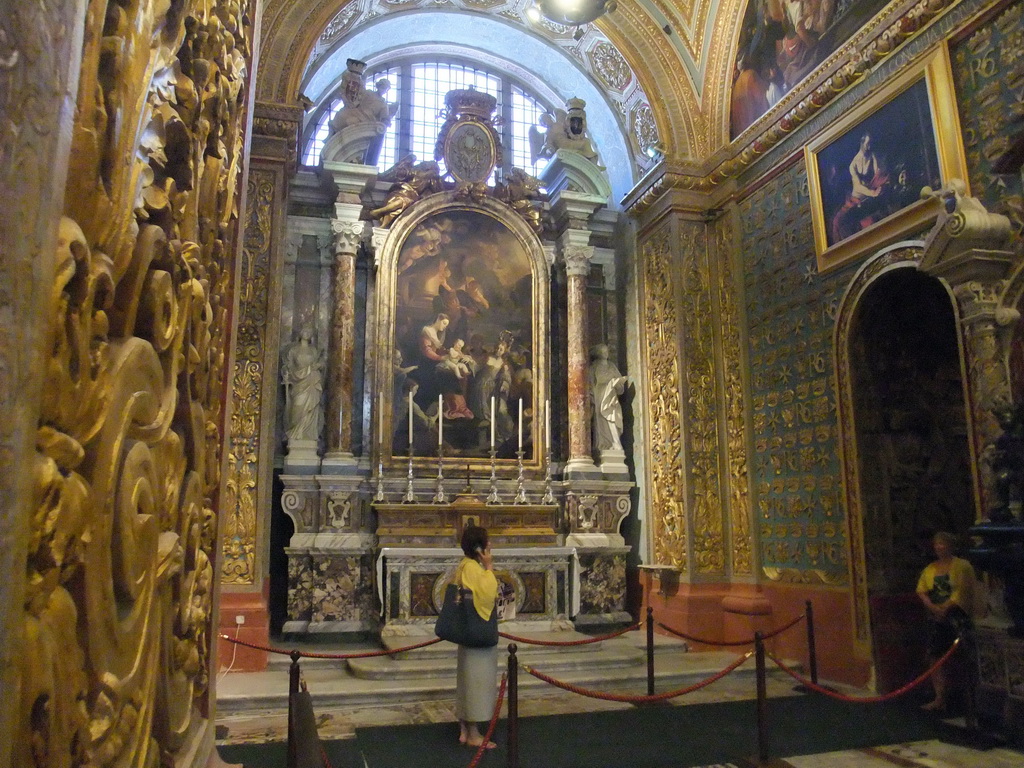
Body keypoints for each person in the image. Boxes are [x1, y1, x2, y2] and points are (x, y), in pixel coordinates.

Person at [916, 531, 977, 712]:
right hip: (937, 617)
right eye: (937, 544)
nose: (939, 547)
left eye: (943, 543)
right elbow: (921, 590)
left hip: (958, 616)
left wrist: (947, 608)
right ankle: (940, 696)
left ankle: (970, 696)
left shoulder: (962, 566)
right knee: (935, 655)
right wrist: (932, 607)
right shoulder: (931, 569)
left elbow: (963, 590)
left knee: (966, 655)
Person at [454, 526, 498, 749]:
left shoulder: (465, 565)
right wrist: (489, 567)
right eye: (487, 542)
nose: (490, 545)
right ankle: (473, 734)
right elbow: (488, 593)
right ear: (479, 547)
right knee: (476, 682)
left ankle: (464, 729)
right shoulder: (474, 568)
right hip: (477, 633)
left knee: (466, 679)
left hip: (466, 632)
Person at [282, 324, 324, 442]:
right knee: (297, 407)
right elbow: (288, 366)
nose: (306, 333)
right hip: (298, 383)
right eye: (304, 330)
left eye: (309, 331)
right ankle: (295, 433)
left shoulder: (314, 350)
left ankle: (308, 435)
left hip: (312, 381)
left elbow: (320, 364)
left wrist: (319, 365)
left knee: (311, 408)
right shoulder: (293, 350)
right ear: (300, 333)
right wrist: (286, 373)